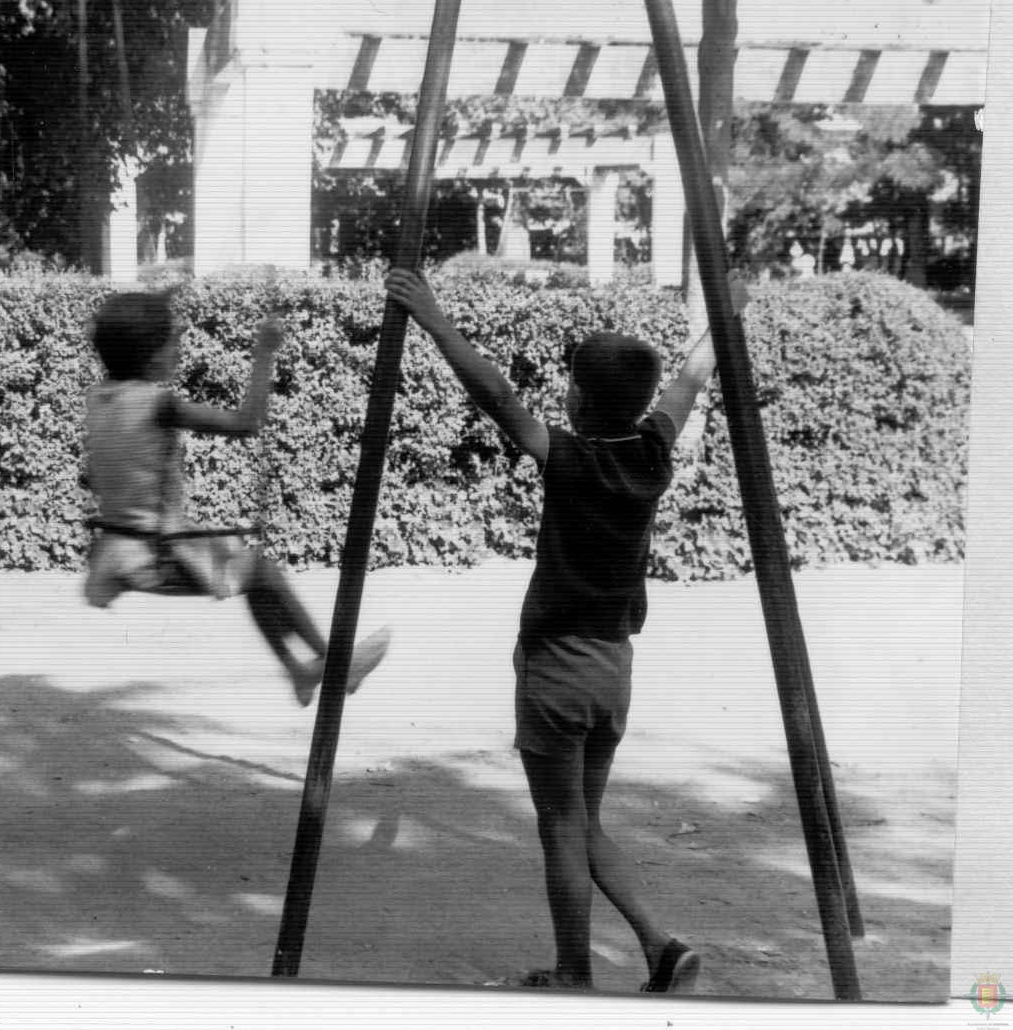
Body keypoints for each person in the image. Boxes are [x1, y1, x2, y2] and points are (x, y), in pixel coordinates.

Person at [384, 264, 750, 994]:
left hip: (555, 669)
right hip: (613, 667)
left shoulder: (568, 457)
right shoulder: (652, 453)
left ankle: (573, 969)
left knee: (560, 827)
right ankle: (660, 944)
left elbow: (494, 394)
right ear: (642, 403)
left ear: (577, 398)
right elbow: (690, 378)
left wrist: (432, 317)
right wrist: (726, 315)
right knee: (584, 823)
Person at [82, 289, 388, 706]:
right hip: (154, 554)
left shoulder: (99, 399)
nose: (179, 349)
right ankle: (336, 665)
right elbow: (247, 423)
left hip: (114, 552)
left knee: (254, 577)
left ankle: (299, 670)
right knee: (262, 572)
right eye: (174, 341)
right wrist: (264, 353)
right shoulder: (159, 404)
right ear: (152, 355)